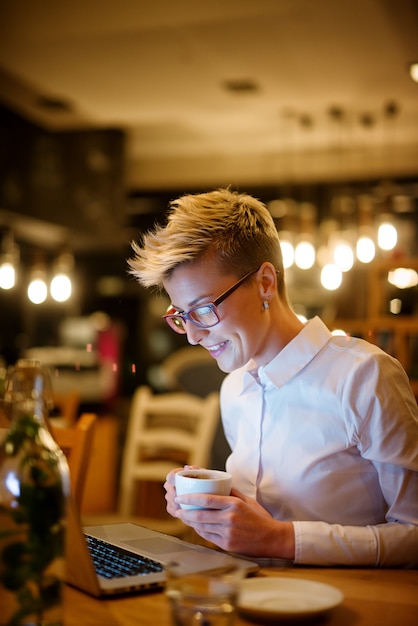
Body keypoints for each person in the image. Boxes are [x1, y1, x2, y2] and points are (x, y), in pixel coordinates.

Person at [128, 188, 418, 567]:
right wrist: (210, 509)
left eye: (203, 309)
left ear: (265, 282)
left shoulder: (365, 377)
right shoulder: (235, 388)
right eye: (181, 316)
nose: (194, 335)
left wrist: (280, 539)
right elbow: (255, 526)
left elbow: (413, 534)